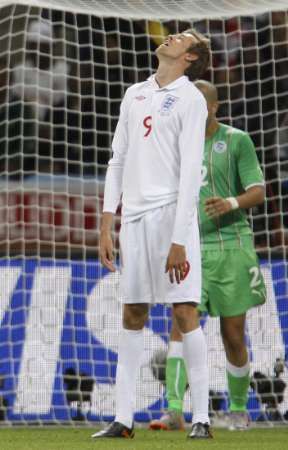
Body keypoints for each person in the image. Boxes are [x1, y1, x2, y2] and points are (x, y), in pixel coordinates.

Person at [92, 29, 212, 439]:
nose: (172, 38)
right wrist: (109, 219)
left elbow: (192, 173)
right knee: (132, 313)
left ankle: (201, 418)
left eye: (182, 38)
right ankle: (123, 419)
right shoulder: (134, 93)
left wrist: (180, 238)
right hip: (136, 222)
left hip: (171, 218)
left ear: (191, 57)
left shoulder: (192, 98)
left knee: (183, 312)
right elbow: (117, 159)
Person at [149, 80, 266, 432]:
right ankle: (173, 410)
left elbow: (258, 191)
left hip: (232, 247)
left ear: (213, 107)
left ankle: (239, 410)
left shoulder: (236, 141)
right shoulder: (173, 146)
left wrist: (230, 202)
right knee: (181, 324)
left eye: (198, 105)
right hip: (189, 248)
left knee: (233, 334)